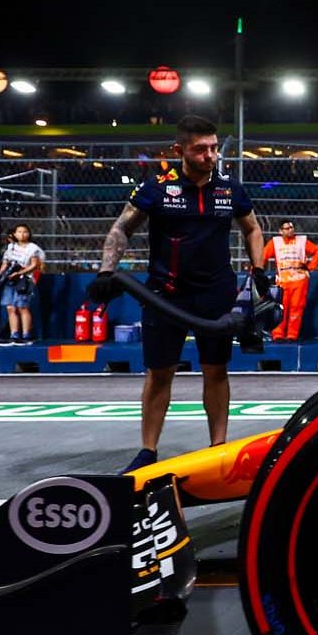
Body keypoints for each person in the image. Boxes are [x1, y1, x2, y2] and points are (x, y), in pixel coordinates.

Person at [90, 115, 267, 474]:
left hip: (216, 294)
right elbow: (122, 228)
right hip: (165, 294)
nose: (210, 156)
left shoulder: (230, 189)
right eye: (200, 149)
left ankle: (218, 446)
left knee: (216, 371)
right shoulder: (156, 188)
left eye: (214, 148)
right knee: (159, 373)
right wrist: (107, 270)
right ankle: (148, 451)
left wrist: (259, 269)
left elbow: (253, 228)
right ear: (179, 150)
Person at [266, 220, 318, 341]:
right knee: (280, 307)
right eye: (287, 228)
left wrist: (309, 267)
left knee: (296, 308)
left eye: (291, 227)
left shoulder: (302, 241)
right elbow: (263, 256)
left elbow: (317, 251)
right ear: (280, 231)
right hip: (282, 281)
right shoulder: (275, 243)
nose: (290, 230)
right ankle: (278, 335)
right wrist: (256, 271)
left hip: (299, 280)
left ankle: (292, 335)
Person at [0, 224, 45, 347]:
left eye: (25, 232)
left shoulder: (32, 248)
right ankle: (14, 334)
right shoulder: (10, 247)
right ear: (14, 234)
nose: (22, 234)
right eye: (19, 232)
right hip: (10, 280)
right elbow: (5, 262)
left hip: (24, 280)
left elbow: (34, 265)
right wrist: (2, 274)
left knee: (22, 307)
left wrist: (19, 273)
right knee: (10, 307)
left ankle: (26, 335)